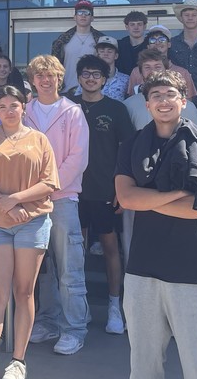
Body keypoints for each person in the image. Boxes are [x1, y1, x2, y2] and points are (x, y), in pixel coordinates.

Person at [115, 70, 197, 379]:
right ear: (146, 105)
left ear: (184, 101)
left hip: (191, 271)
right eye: (156, 96)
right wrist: (178, 194)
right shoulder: (132, 145)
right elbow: (126, 198)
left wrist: (147, 198)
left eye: (170, 95)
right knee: (143, 368)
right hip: (141, 271)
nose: (163, 101)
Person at [0, 86, 59, 379]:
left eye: (14, 105)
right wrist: (4, 205)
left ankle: (18, 361)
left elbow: (49, 182)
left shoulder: (39, 140)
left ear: (24, 107)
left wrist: (16, 200)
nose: (8, 111)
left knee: (24, 291)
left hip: (32, 222)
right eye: (3, 106)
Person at [24, 55, 90, 356]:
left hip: (62, 200)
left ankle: (74, 328)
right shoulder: (24, 111)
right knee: (42, 270)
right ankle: (48, 321)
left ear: (59, 78)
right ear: (32, 80)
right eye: (40, 75)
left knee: (69, 269)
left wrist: (48, 187)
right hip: (30, 202)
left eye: (50, 75)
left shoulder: (73, 112)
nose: (45, 80)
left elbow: (78, 158)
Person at [73, 54, 135, 335]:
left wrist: (122, 189)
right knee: (75, 252)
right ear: (78, 77)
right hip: (70, 192)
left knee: (111, 248)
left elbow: (127, 151)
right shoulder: (68, 106)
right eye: (85, 73)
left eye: (96, 74)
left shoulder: (116, 109)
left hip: (104, 192)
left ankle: (114, 306)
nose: (90, 78)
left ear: (105, 79)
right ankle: (78, 305)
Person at [124, 50, 197, 130]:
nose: (153, 71)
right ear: (141, 72)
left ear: (166, 70)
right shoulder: (129, 105)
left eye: (157, 67)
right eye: (147, 67)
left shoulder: (187, 106)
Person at [126, 26, 197, 100]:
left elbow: (188, 101)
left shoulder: (183, 73)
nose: (157, 43)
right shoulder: (136, 72)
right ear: (148, 46)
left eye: (162, 39)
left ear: (169, 44)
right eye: (152, 40)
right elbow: (132, 99)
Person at [51, 0, 104, 92]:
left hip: (93, 91)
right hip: (66, 91)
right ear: (74, 17)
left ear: (92, 18)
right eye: (80, 12)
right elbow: (54, 66)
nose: (83, 15)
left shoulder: (100, 40)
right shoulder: (62, 40)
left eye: (87, 13)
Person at [116, 10, 149, 76]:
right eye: (132, 24)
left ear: (144, 27)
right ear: (127, 27)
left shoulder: (150, 46)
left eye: (139, 24)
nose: (136, 27)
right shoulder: (118, 46)